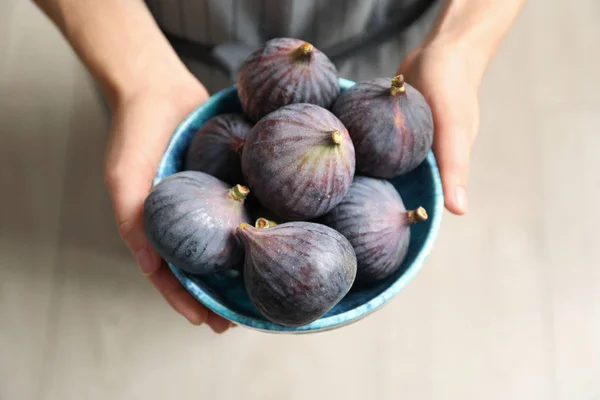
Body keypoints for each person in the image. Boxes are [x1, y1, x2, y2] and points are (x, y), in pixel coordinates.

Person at [33, 0, 525, 333]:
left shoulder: (347, 125)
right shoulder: (271, 143)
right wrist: (138, 75)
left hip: (380, 39)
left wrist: (460, 44)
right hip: (156, 42)